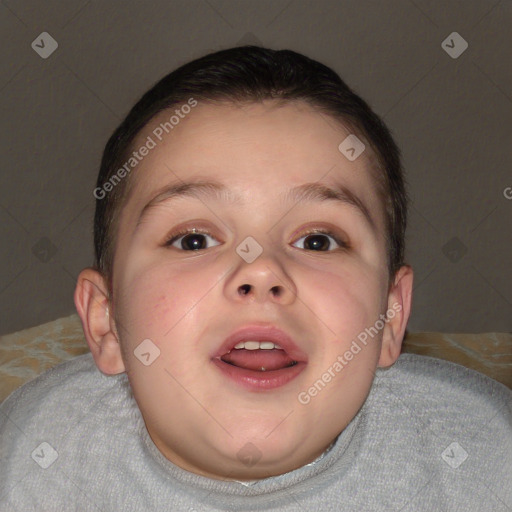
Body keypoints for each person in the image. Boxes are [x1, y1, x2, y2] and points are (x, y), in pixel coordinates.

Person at [1, 46, 510, 511]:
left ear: (391, 316)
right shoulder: (29, 457)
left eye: (318, 241)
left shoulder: (486, 458)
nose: (262, 271)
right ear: (106, 321)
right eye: (193, 240)